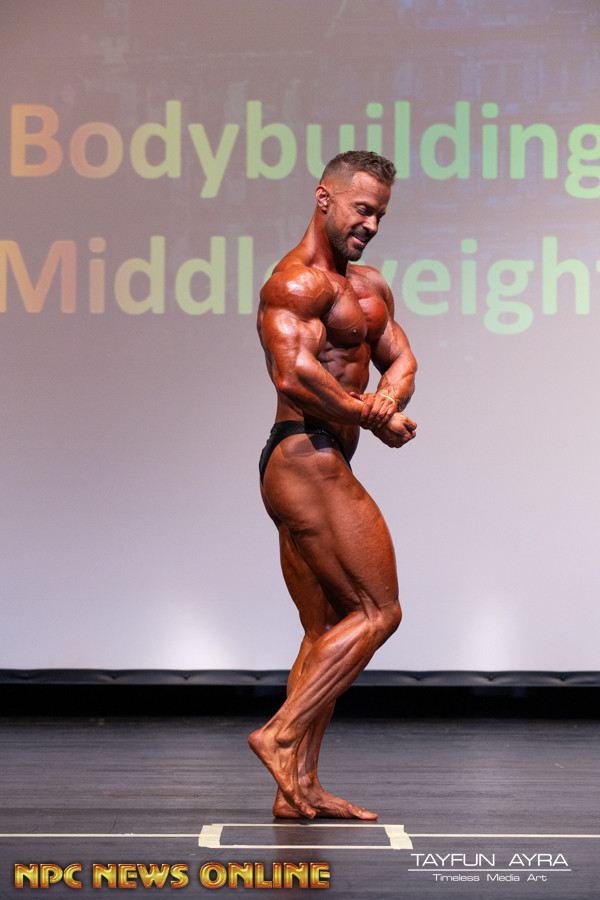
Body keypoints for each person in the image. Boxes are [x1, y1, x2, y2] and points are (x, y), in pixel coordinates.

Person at [249, 150, 417, 820]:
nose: (370, 225)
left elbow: (401, 358)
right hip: (304, 455)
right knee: (379, 612)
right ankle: (279, 735)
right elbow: (293, 374)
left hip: (325, 457)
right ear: (325, 198)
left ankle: (299, 789)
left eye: (379, 215)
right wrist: (366, 415)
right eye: (361, 209)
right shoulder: (294, 284)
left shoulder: (369, 287)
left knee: (325, 629)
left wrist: (386, 401)